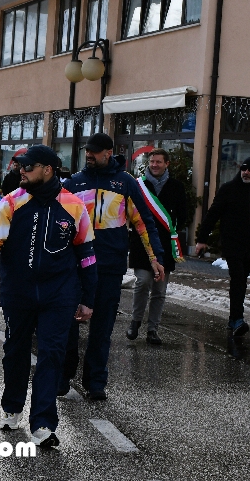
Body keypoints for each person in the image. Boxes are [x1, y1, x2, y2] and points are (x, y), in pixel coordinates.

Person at [0, 144, 97, 448]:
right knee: (15, 351)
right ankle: (12, 407)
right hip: (19, 292)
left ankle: (43, 423)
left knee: (52, 354)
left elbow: (87, 254)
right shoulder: (10, 202)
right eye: (21, 167)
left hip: (59, 294)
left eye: (28, 167)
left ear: (47, 169)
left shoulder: (74, 205)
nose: (22, 171)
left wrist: (88, 298)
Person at [61, 133, 165, 401]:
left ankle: (95, 382)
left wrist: (155, 257)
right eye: (87, 150)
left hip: (109, 266)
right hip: (76, 267)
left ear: (108, 153)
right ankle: (64, 375)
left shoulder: (125, 183)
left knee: (102, 327)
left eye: (95, 151)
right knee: (67, 323)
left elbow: (143, 222)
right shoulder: (74, 183)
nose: (89, 155)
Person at [127, 148, 187, 345]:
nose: (154, 165)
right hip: (142, 244)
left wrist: (173, 230)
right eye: (152, 161)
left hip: (165, 246)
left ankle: (153, 329)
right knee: (143, 282)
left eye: (158, 162)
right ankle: (135, 321)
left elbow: (183, 215)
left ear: (166, 164)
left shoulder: (177, 187)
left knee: (160, 290)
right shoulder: (139, 185)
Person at [195, 156, 250, 336]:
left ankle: (233, 319)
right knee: (238, 279)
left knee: (241, 281)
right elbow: (212, 215)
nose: (246, 172)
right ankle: (238, 319)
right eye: (243, 169)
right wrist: (202, 239)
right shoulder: (229, 189)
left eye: (249, 170)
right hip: (233, 244)